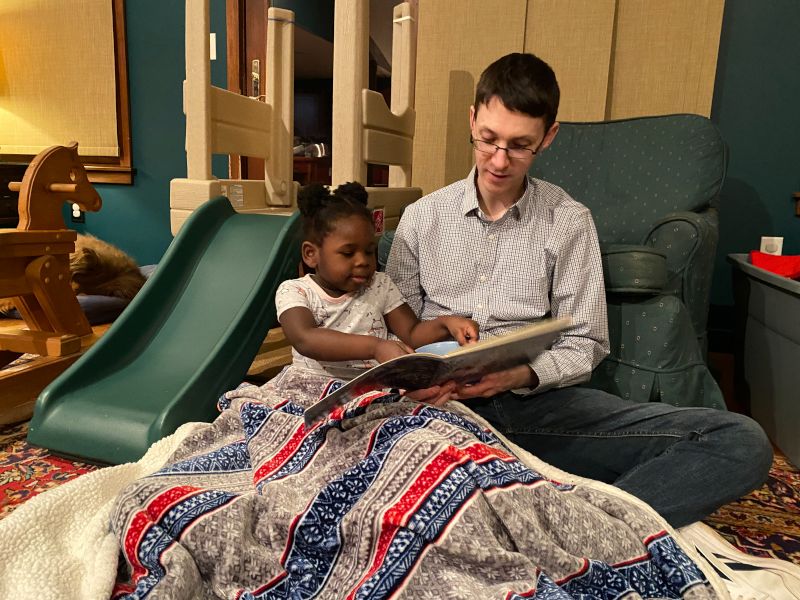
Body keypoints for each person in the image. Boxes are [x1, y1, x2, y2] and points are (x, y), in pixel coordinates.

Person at [385, 52, 773, 528]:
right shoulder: (423, 217)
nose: (499, 160)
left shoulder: (568, 220)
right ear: (472, 119)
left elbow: (586, 343)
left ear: (548, 138)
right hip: (440, 410)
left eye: (520, 145)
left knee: (740, 442)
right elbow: (394, 329)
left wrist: (517, 375)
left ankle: (575, 527)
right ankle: (557, 514)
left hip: (537, 407)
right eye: (487, 140)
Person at [276, 182, 478, 381]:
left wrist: (446, 324)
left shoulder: (379, 284)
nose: (362, 261)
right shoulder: (296, 291)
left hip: (371, 387)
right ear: (311, 254)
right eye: (348, 253)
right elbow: (305, 338)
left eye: (369, 251)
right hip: (311, 386)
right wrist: (376, 347)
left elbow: (411, 333)